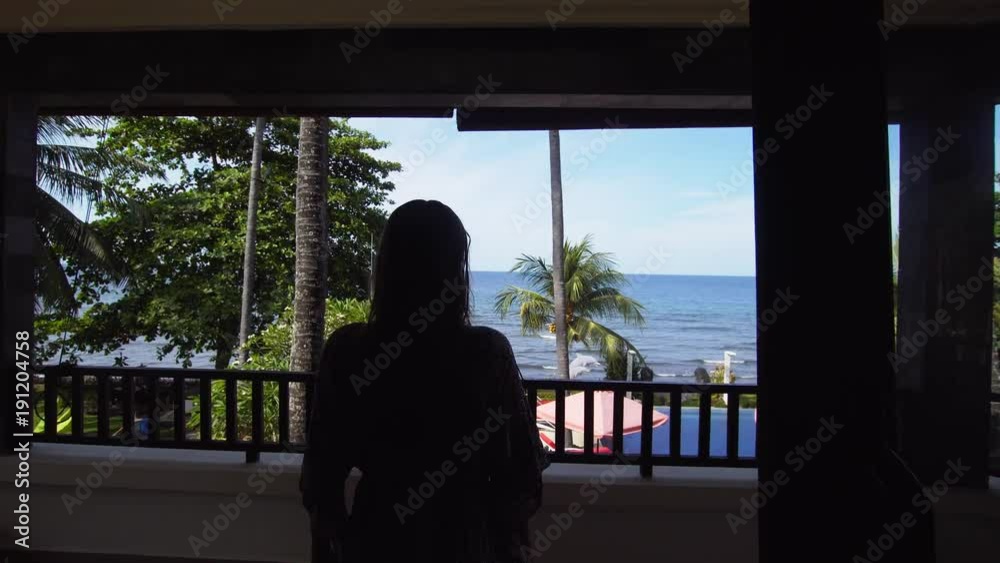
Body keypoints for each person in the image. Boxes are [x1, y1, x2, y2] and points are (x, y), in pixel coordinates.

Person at [301, 200, 549, 563]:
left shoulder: (348, 350)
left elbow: (321, 482)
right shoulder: (486, 353)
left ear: (386, 266)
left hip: (376, 539)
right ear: (456, 271)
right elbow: (522, 479)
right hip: (465, 542)